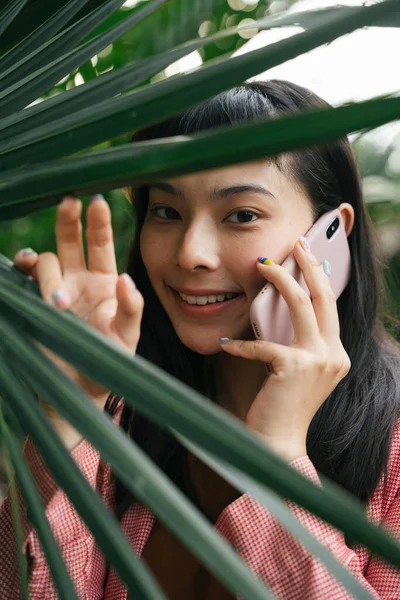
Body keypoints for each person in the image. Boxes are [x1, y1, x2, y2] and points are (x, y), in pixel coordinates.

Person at [1, 79, 399, 600]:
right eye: (166, 211)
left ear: (331, 235)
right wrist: (70, 412)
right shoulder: (125, 418)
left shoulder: (391, 450)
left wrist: (279, 459)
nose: (191, 253)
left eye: (241, 215)